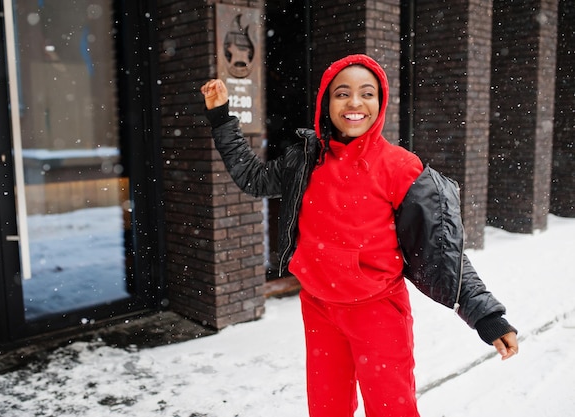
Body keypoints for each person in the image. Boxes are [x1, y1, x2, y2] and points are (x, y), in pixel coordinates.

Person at [201, 54, 518, 417]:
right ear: (326, 102)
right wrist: (221, 119)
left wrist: (486, 315)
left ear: (380, 103)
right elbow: (253, 178)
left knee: (391, 411)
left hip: (378, 312)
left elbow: (444, 250)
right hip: (319, 308)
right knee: (326, 409)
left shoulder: (401, 168)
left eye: (367, 93)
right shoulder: (306, 160)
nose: (354, 103)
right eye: (342, 93)